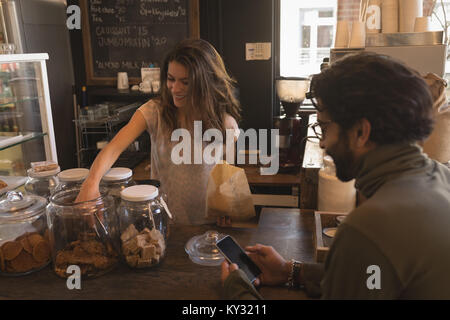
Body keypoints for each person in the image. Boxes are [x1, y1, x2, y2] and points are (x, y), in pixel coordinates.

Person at [221, 52, 450, 299]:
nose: (322, 143)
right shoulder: (442, 177)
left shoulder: (367, 230)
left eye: (325, 127)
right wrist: (292, 271)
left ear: (361, 132)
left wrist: (238, 292)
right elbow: (374, 278)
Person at [76, 39, 240, 225]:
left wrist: (226, 206)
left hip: (207, 223)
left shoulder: (225, 123)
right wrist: (91, 182)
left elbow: (226, 172)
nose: (175, 88)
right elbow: (114, 147)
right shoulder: (154, 111)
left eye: (185, 82)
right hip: (163, 220)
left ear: (205, 83)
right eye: (171, 79)